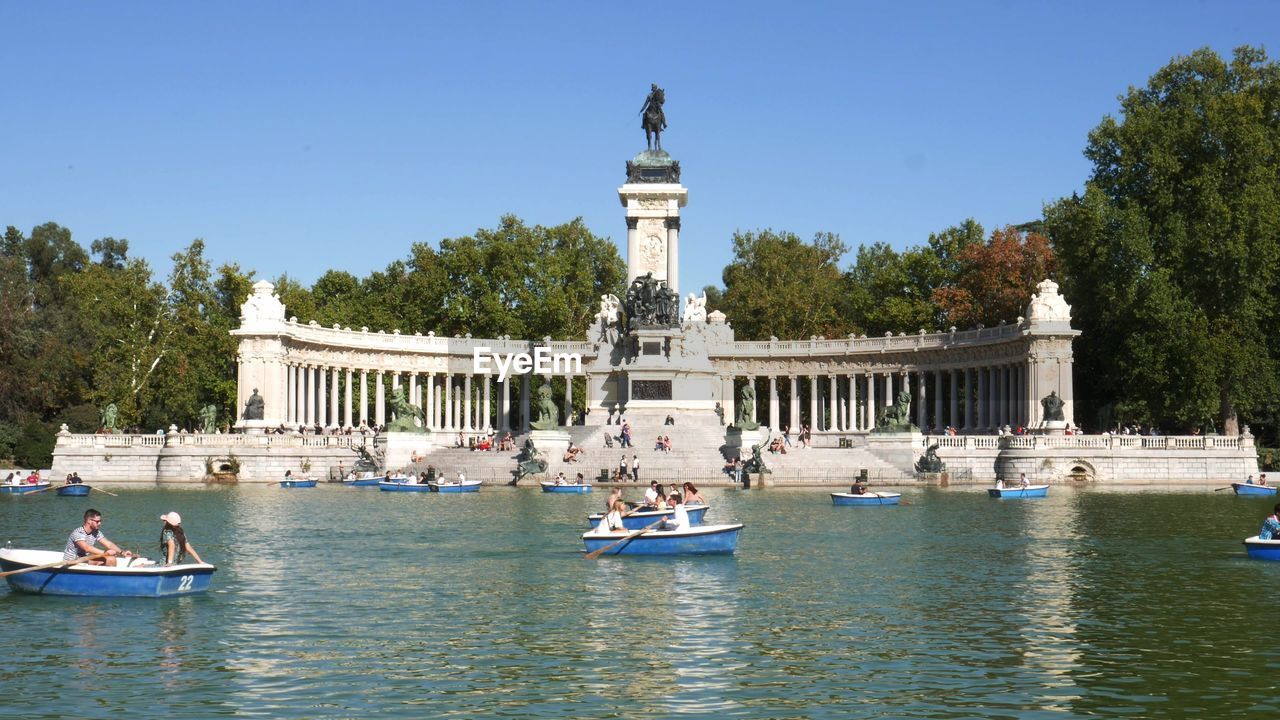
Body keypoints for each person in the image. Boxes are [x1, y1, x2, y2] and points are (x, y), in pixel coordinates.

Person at [64, 509, 133, 566]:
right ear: (89, 521)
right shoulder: (78, 533)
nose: (99, 523)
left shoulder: (96, 532)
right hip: (72, 561)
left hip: (85, 559)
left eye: (100, 521)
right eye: (97, 521)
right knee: (110, 558)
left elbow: (109, 544)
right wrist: (106, 552)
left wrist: (122, 552)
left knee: (111, 559)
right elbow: (87, 548)